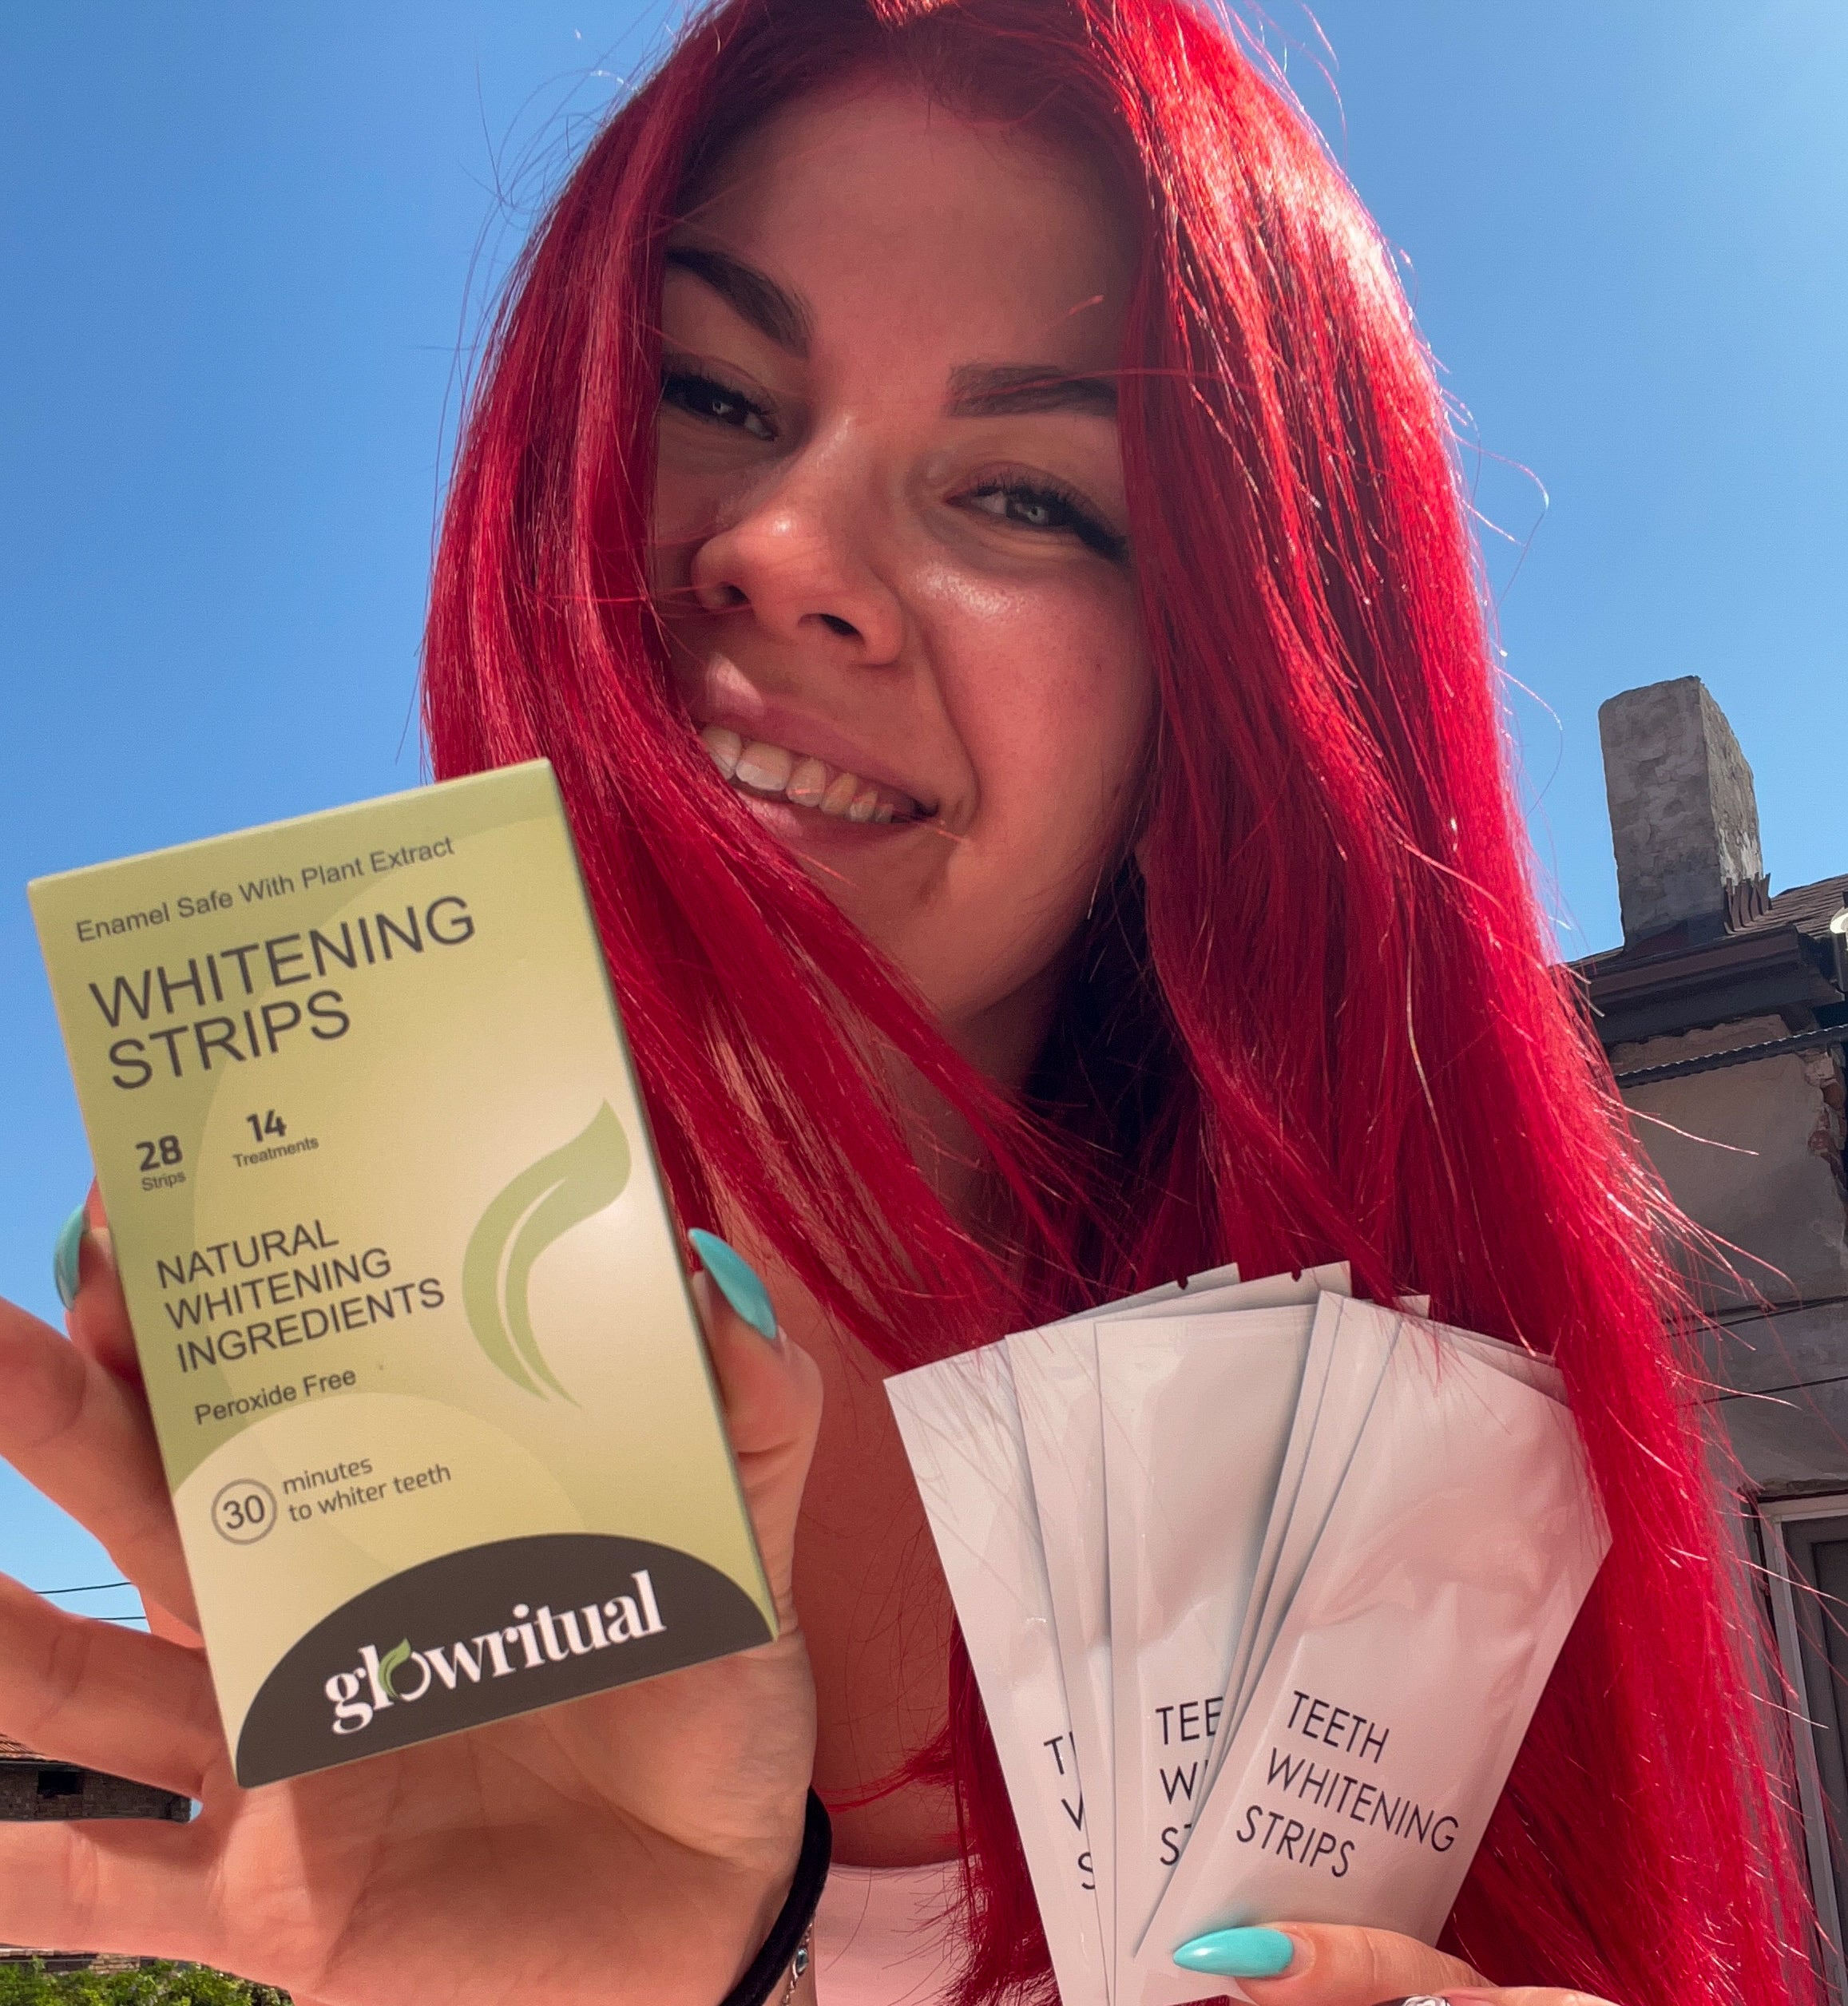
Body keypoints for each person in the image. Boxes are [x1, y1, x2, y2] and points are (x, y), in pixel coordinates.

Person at [0, 1, 1817, 2002]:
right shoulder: (341, 1489)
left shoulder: (1455, 1498)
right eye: (711, 391)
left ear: (1222, 698)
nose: (782, 552)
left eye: (1027, 495)